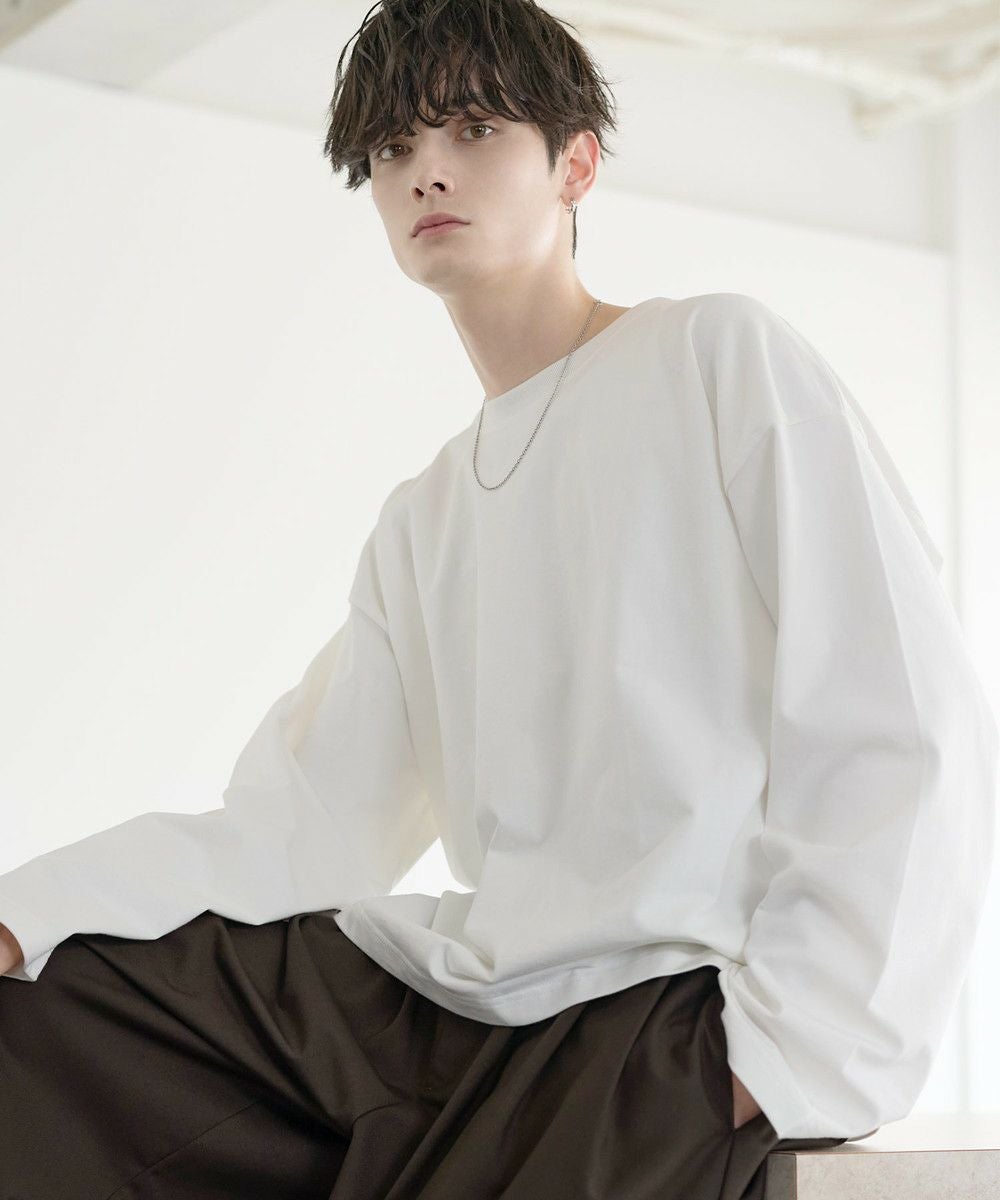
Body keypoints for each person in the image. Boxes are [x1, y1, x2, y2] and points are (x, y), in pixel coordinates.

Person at [1, 0, 996, 1196]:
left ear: (575, 163)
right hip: (467, 998)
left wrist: (791, 1055)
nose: (427, 171)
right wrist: (25, 914)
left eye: (473, 130)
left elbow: (896, 711)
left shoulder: (715, 358)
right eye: (393, 148)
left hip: (659, 1015)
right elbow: (302, 826)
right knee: (51, 1012)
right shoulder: (424, 515)